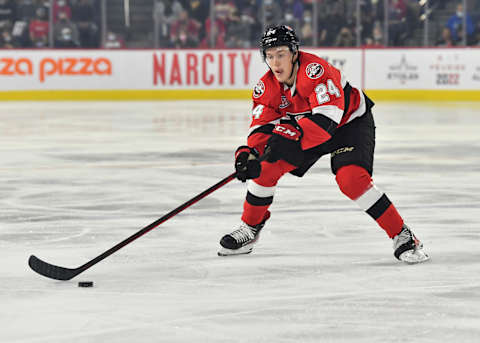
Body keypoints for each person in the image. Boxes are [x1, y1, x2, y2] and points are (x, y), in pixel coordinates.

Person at [217, 25, 430, 264]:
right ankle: (250, 228)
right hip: (306, 128)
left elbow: (325, 124)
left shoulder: (315, 71)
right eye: (270, 56)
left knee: (351, 180)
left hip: (348, 125)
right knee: (264, 167)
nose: (275, 63)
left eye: (281, 54)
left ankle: (403, 235)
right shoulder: (266, 87)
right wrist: (250, 154)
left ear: (294, 53)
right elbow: (261, 128)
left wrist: (287, 140)